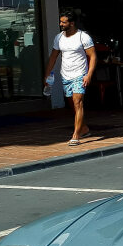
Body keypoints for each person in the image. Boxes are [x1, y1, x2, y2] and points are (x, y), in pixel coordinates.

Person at [44, 10, 96, 146]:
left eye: (64, 22)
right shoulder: (59, 38)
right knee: (72, 104)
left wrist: (89, 74)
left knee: (78, 102)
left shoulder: (83, 37)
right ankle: (83, 128)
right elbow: (53, 57)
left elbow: (93, 56)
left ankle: (76, 135)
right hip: (65, 75)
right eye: (60, 21)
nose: (61, 24)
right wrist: (47, 74)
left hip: (80, 74)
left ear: (71, 23)